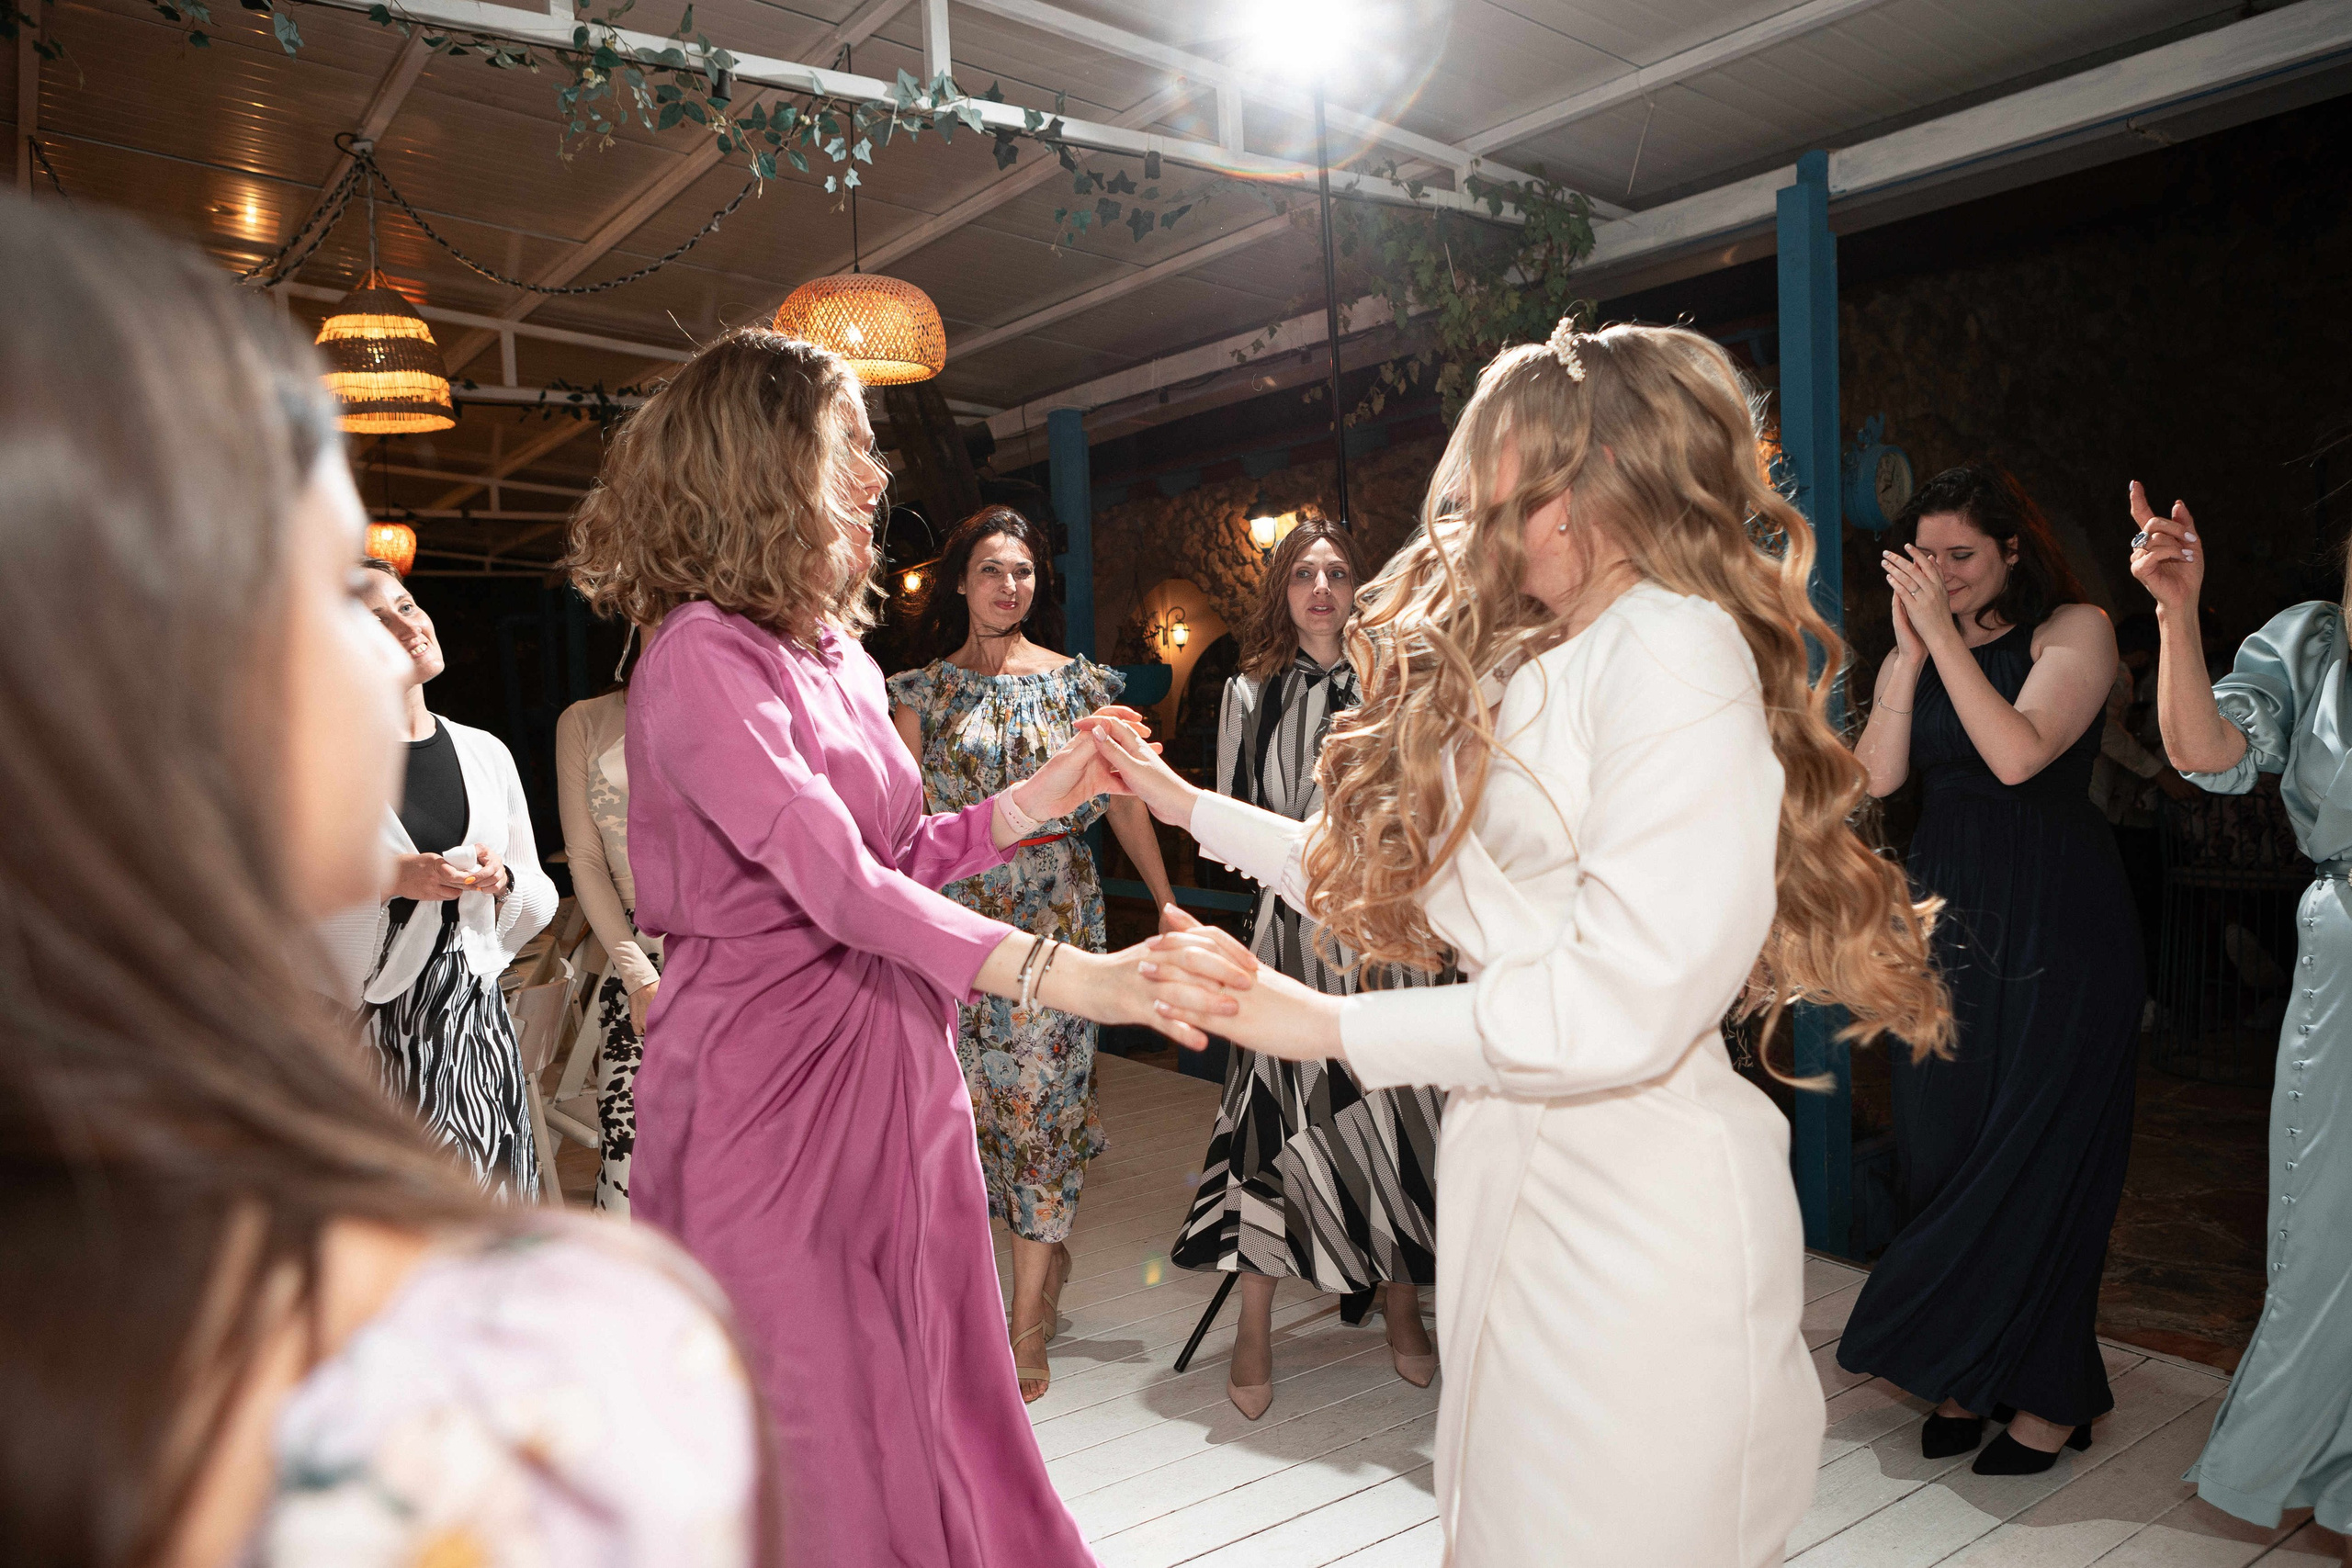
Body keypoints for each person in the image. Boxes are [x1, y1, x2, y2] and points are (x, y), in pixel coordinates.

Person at [1091, 321, 1953, 1568]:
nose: (1477, 502)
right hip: (1515, 1159)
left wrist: (1327, 1025)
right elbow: (1411, 886)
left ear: (1586, 483)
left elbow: (1626, 998)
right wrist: (1184, 806)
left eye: (1506, 472)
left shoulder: (1673, 644)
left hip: (1635, 1195)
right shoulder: (1542, 656)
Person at [0, 197, 763, 1568]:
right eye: (333, 588)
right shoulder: (563, 1371)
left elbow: (525, 893)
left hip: (468, 1002)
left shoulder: (478, 748)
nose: (393, 632)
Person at [566, 328, 1245, 1568]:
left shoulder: (830, 650)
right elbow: (827, 882)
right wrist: (1069, 975)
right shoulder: (698, 657)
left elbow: (894, 854)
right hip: (763, 1086)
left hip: (895, 1053)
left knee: (938, 1380)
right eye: (852, 447)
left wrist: (1039, 796)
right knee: (812, 1419)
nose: (879, 478)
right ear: (764, 463)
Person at [1834, 462, 2144, 1473]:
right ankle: (1964, 1370)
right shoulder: (1924, 646)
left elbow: (2016, 755)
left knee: (2042, 1153)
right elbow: (1878, 777)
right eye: (1924, 557)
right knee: (1942, 1150)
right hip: (1946, 917)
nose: (1941, 574)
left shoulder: (2077, 631)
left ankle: (2050, 1397)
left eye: (1959, 555)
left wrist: (1946, 647)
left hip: (2059, 917)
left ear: (2014, 548)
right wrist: (1904, 654)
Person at [887, 505, 1177, 1402]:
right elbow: (901, 826)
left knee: (1042, 1119)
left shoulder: (1082, 689)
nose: (1008, 586)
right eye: (990, 571)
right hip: (952, 937)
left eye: (1022, 572)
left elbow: (1123, 801)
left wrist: (1167, 905)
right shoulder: (919, 696)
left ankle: (1026, 1325)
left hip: (1057, 928)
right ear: (959, 582)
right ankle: (979, 1302)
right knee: (959, 1127)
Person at [1166, 517, 1443, 1419]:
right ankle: (1253, 1328)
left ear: (1359, 585)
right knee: (1273, 1120)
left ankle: (1402, 1304)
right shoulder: (1251, 690)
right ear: (1282, 591)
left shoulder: (1395, 681)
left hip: (1385, 932)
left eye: (1336, 572)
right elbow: (1231, 824)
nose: (1320, 587)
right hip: (1288, 936)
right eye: (1302, 574)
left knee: (1395, 1109)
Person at [2132, 480, 2352, 1557]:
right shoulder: (2311, 647)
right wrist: (2177, 615)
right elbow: (2205, 756)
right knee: (2331, 1235)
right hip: (2346, 959)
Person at [318, 561, 558, 1196]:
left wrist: (503, 879)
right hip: (368, 1043)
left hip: (476, 1033)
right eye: (376, 618)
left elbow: (541, 896)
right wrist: (389, 879)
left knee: (492, 1230)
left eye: (407, 603)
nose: (408, 624)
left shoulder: (486, 753)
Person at [557, 656, 661, 1213]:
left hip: (737, 960)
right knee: (630, 1165)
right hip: (639, 965)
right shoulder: (586, 721)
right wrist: (638, 973)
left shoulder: (734, 705)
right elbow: (586, 863)